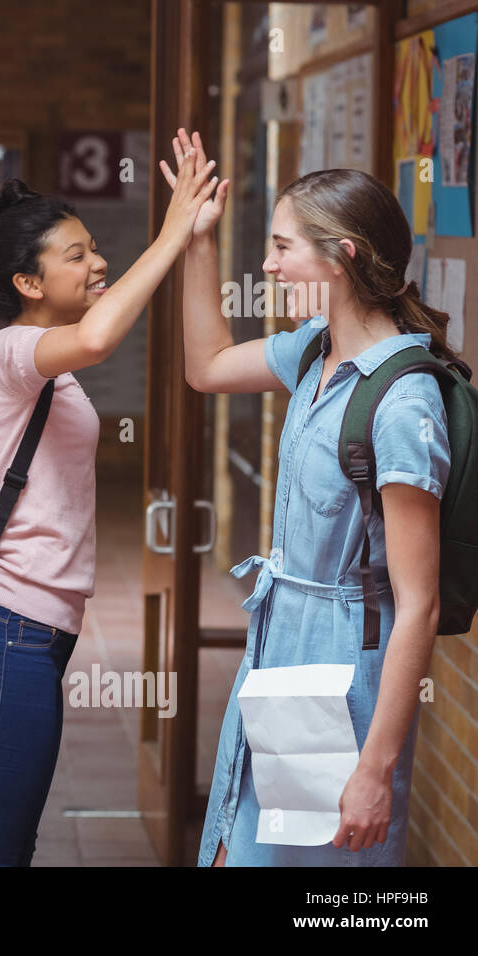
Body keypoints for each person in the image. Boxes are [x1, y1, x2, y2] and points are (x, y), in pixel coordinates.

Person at [164, 128, 452, 866]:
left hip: (343, 664)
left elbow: (417, 604)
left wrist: (375, 770)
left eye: (283, 246)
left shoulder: (403, 403)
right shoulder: (315, 348)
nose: (267, 264)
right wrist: (198, 240)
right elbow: (206, 365)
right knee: (237, 843)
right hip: (278, 642)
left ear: (342, 255)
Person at [0, 147, 218, 866]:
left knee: (5, 846)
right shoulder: (11, 354)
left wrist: (194, 237)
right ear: (27, 282)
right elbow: (99, 339)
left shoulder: (19, 366)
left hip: (23, 633)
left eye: (95, 249)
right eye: (78, 255)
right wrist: (170, 232)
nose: (97, 263)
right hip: (8, 634)